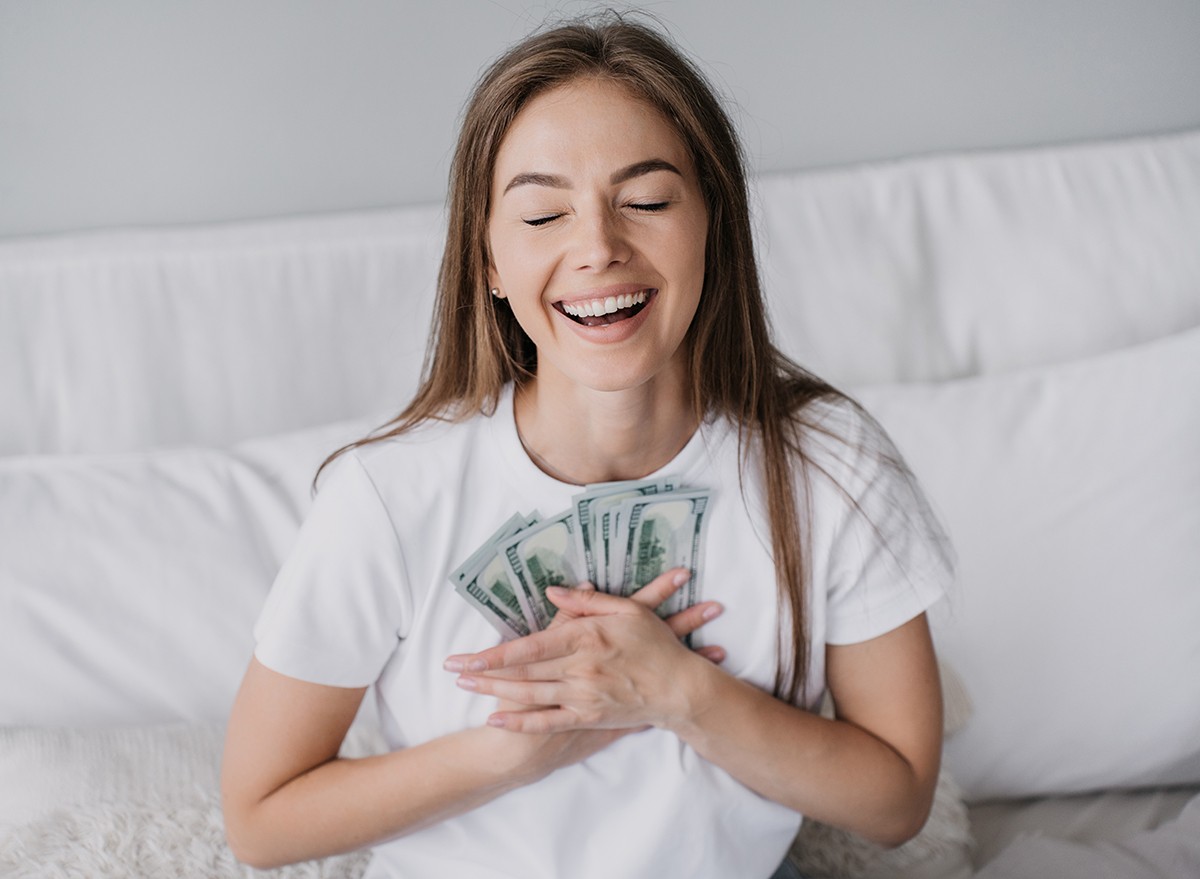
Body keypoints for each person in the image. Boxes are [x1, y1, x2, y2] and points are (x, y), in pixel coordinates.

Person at [221, 13, 954, 879]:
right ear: (487, 260)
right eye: (541, 214)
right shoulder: (386, 495)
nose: (599, 248)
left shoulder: (831, 465)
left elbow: (900, 796)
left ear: (712, 221)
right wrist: (521, 748)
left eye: (645, 202)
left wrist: (681, 692)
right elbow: (261, 822)